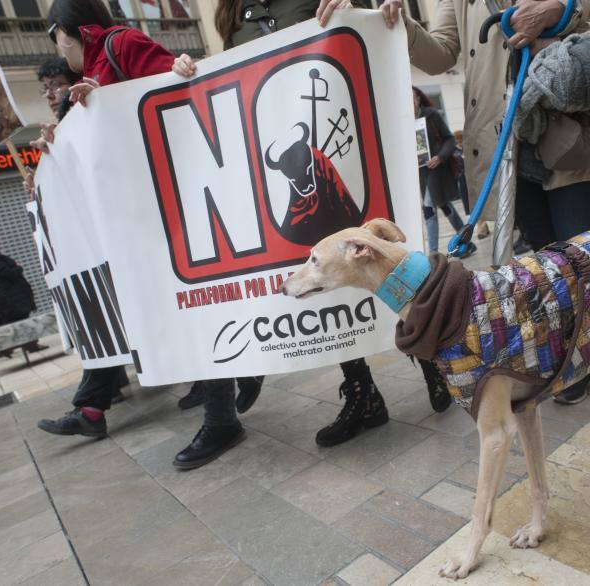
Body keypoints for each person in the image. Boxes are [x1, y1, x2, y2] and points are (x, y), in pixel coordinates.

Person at [317, 0, 590, 404]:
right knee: (547, 258)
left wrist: (562, 8)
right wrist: (398, 23)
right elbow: (441, 53)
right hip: (505, 136)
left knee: (586, 250)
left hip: (569, 117)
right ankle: (576, 353)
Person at [173, 0, 453, 448]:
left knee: (389, 265)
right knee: (324, 284)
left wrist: (361, 12)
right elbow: (235, 86)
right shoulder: (231, 18)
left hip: (348, 159)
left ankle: (431, 360)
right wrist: (195, 71)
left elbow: (376, 36)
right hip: (293, 199)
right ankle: (363, 393)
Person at [32, 0, 256, 471]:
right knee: (181, 306)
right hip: (143, 208)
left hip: (168, 202)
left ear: (71, 32)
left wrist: (151, 78)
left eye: (55, 35)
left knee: (191, 303)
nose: (56, 46)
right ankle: (238, 376)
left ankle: (222, 415)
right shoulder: (89, 73)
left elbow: (173, 89)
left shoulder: (121, 44)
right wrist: (60, 139)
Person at [414, 87, 474, 256]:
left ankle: (432, 253)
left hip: (437, 170)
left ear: (417, 99)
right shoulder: (403, 122)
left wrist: (439, 157)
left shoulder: (431, 115)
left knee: (428, 209)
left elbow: (450, 139)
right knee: (445, 207)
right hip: (421, 174)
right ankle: (467, 243)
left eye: (409, 99)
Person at [0, 235, 47, 349]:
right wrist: (18, 267)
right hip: (13, 298)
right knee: (23, 321)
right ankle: (31, 345)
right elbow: (8, 273)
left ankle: (29, 344)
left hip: (7, 299)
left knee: (19, 322)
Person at [453, 130, 470, 215]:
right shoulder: (454, 151)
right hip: (462, 177)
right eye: (458, 140)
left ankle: (481, 224)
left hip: (471, 177)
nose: (460, 142)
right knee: (466, 198)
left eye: (461, 139)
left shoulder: (467, 147)